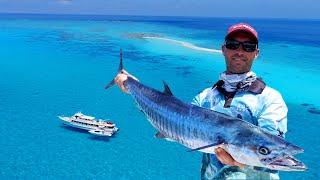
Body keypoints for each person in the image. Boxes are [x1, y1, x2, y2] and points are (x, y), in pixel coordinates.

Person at [114, 23, 288, 180]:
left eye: (248, 47)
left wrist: (242, 164)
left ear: (256, 53)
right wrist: (132, 87)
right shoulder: (204, 97)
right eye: (233, 45)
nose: (240, 51)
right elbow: (175, 128)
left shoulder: (270, 99)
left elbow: (267, 155)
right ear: (224, 49)